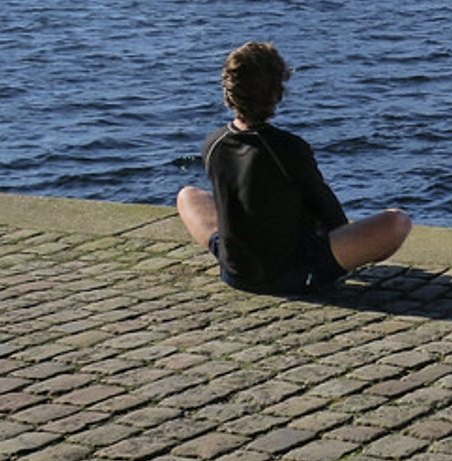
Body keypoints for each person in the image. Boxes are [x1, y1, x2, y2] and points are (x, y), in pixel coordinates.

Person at [175, 41, 411, 294]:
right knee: (397, 222)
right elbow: (329, 212)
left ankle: (225, 250)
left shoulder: (213, 143)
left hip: (235, 271)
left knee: (187, 195)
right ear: (276, 93)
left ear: (229, 93)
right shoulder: (289, 147)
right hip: (291, 274)